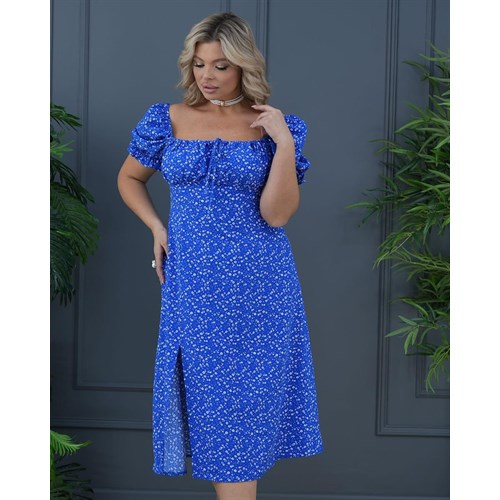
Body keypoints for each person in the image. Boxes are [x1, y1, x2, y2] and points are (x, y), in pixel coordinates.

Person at [117, 11, 323, 500]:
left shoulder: (278, 127)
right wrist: (157, 227)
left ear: (244, 67)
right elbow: (129, 178)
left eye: (221, 66)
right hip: (194, 283)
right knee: (213, 404)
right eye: (199, 64)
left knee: (245, 411)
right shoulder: (166, 119)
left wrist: (283, 143)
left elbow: (277, 215)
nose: (206, 76)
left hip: (260, 286)